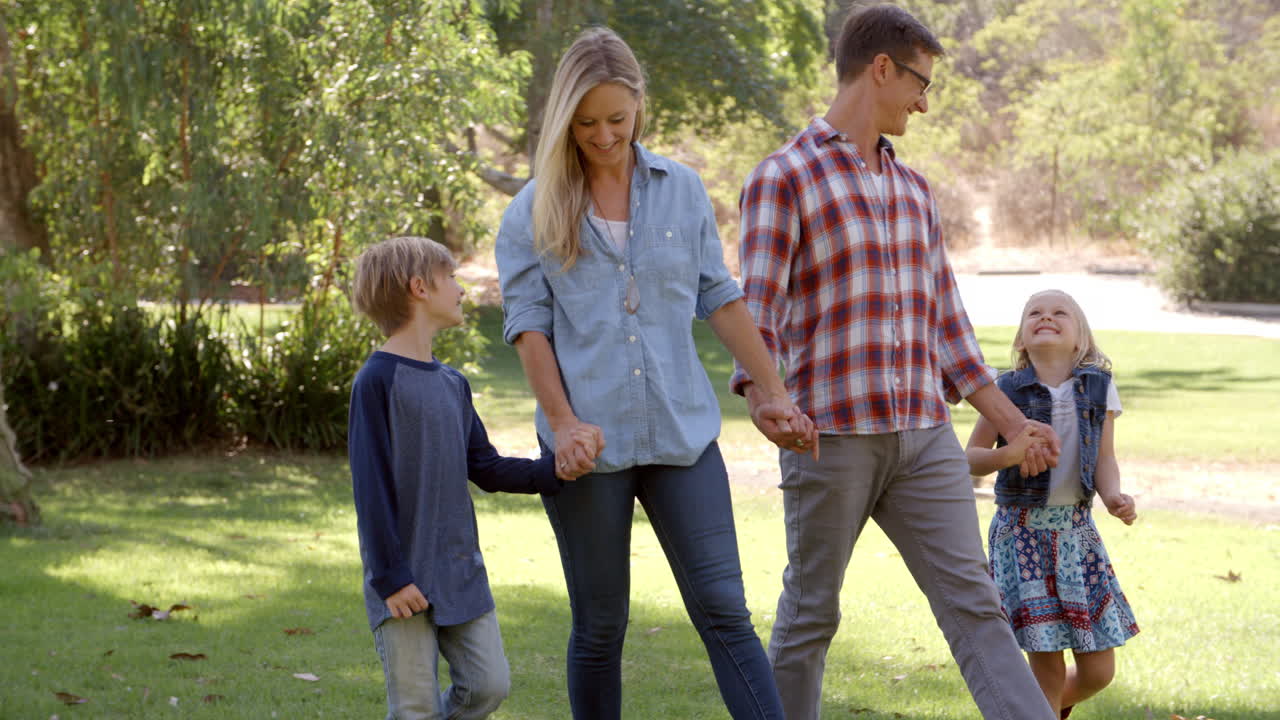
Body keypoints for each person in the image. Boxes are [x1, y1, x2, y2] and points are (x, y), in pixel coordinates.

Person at [732, 5, 1065, 719]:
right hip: (832, 438)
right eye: (920, 81)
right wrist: (766, 400)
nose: (924, 99)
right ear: (880, 68)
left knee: (976, 605)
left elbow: (949, 330)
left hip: (923, 437)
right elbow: (755, 315)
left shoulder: (915, 192)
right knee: (812, 613)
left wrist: (1015, 426)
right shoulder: (783, 177)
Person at [495, 27, 814, 720]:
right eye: (585, 123)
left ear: (640, 104)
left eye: (616, 118)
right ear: (564, 119)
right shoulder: (530, 212)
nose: (603, 135)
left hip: (682, 435)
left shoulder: (683, 190)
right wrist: (563, 423)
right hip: (588, 449)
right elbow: (529, 328)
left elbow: (720, 298)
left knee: (726, 610)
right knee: (601, 627)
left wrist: (775, 392)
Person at [347, 235, 596, 720]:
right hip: (401, 578)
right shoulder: (376, 381)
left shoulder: (451, 383)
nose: (461, 289)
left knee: (488, 686)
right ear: (419, 287)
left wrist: (555, 470)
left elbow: (485, 466)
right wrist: (391, 577)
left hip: (461, 573)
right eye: (452, 278)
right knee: (415, 707)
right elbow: (370, 489)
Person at [966, 289, 1140, 718]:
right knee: (1045, 667)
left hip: (1078, 536)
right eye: (1034, 313)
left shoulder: (1099, 387)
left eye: (1060, 312)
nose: (1046, 317)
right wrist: (1006, 456)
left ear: (1080, 337)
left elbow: (1104, 458)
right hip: (1021, 535)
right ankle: (1037, 710)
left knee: (1099, 671)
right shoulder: (1002, 390)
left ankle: (1033, 713)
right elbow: (969, 458)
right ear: (1021, 339)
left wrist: (1113, 494)